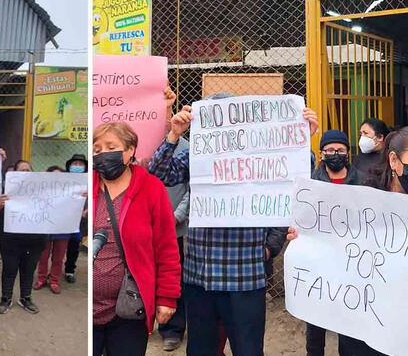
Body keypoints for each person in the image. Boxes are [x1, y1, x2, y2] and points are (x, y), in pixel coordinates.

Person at [147, 94, 318, 356]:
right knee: (201, 350)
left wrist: (302, 138)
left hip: (244, 275)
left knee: (248, 349)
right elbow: (158, 175)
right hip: (200, 274)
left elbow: (295, 180)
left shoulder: (262, 151)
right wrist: (173, 135)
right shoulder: (198, 152)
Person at [288, 130, 387, 356]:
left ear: (348, 153)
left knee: (349, 321)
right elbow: (299, 218)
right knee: (315, 320)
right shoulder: (309, 183)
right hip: (317, 264)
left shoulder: (364, 181)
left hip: (350, 264)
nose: (335, 154)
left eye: (340, 150)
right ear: (322, 153)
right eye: (330, 150)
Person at [92, 122, 181, 356]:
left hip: (128, 309)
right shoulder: (87, 188)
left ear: (130, 150)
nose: (103, 154)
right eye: (97, 148)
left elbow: (167, 249)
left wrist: (167, 297)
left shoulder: (151, 189)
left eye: (111, 146)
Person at [0, 160, 47, 315]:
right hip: (10, 240)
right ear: (14, 173)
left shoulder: (42, 190)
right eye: (22, 170)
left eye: (28, 170)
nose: (25, 173)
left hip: (35, 240)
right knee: (9, 270)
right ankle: (6, 298)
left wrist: (78, 195)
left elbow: (59, 202)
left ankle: (25, 298)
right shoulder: (4, 190)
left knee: (28, 270)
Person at [158, 136, 190, 352]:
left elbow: (193, 187)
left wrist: (177, 216)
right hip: (141, 227)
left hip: (173, 228)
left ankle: (172, 330)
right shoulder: (137, 141)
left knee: (173, 276)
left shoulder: (188, 147)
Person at [34, 166, 72, 294]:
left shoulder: (70, 192)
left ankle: (54, 280)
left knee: (58, 257)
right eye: (53, 175)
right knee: (43, 256)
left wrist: (81, 196)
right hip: (45, 229)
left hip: (63, 230)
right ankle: (41, 278)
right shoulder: (40, 191)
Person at [64, 154, 88, 284]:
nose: (77, 166)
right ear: (69, 166)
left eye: (80, 164)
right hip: (62, 219)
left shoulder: (90, 181)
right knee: (58, 246)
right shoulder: (62, 180)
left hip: (78, 221)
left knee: (74, 244)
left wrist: (87, 207)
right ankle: (52, 272)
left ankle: (69, 270)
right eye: (75, 164)